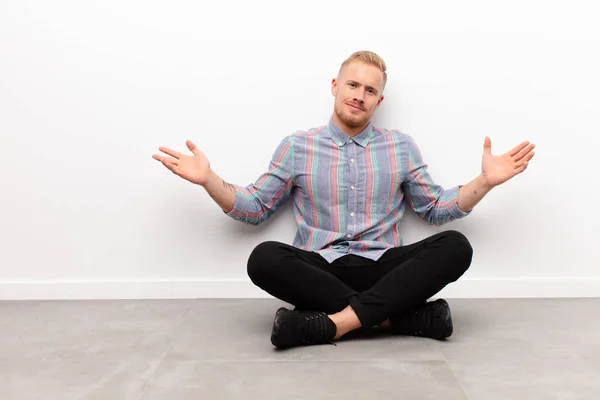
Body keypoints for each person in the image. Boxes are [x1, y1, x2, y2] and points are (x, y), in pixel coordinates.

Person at [152, 50, 535, 349]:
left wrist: (485, 181)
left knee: (455, 246)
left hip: (383, 264)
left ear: (379, 100)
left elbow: (434, 209)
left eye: (370, 90)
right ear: (335, 85)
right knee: (264, 257)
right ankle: (395, 320)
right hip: (320, 267)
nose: (359, 96)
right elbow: (254, 208)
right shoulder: (297, 145)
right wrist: (208, 180)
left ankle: (332, 324)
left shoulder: (400, 147)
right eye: (353, 85)